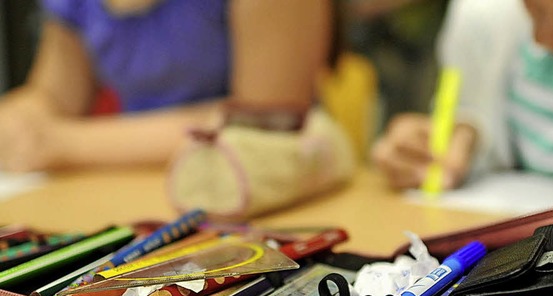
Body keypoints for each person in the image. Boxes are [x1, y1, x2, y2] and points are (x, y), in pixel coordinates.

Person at [0, 0, 335, 172]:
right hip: (128, 187)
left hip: (258, 191)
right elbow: (52, 97)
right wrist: (18, 121)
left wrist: (64, 143)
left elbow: (269, 120)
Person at [372, 0, 553, 197]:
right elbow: (474, 112)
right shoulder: (488, 15)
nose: (544, 38)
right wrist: (465, 135)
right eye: (532, 6)